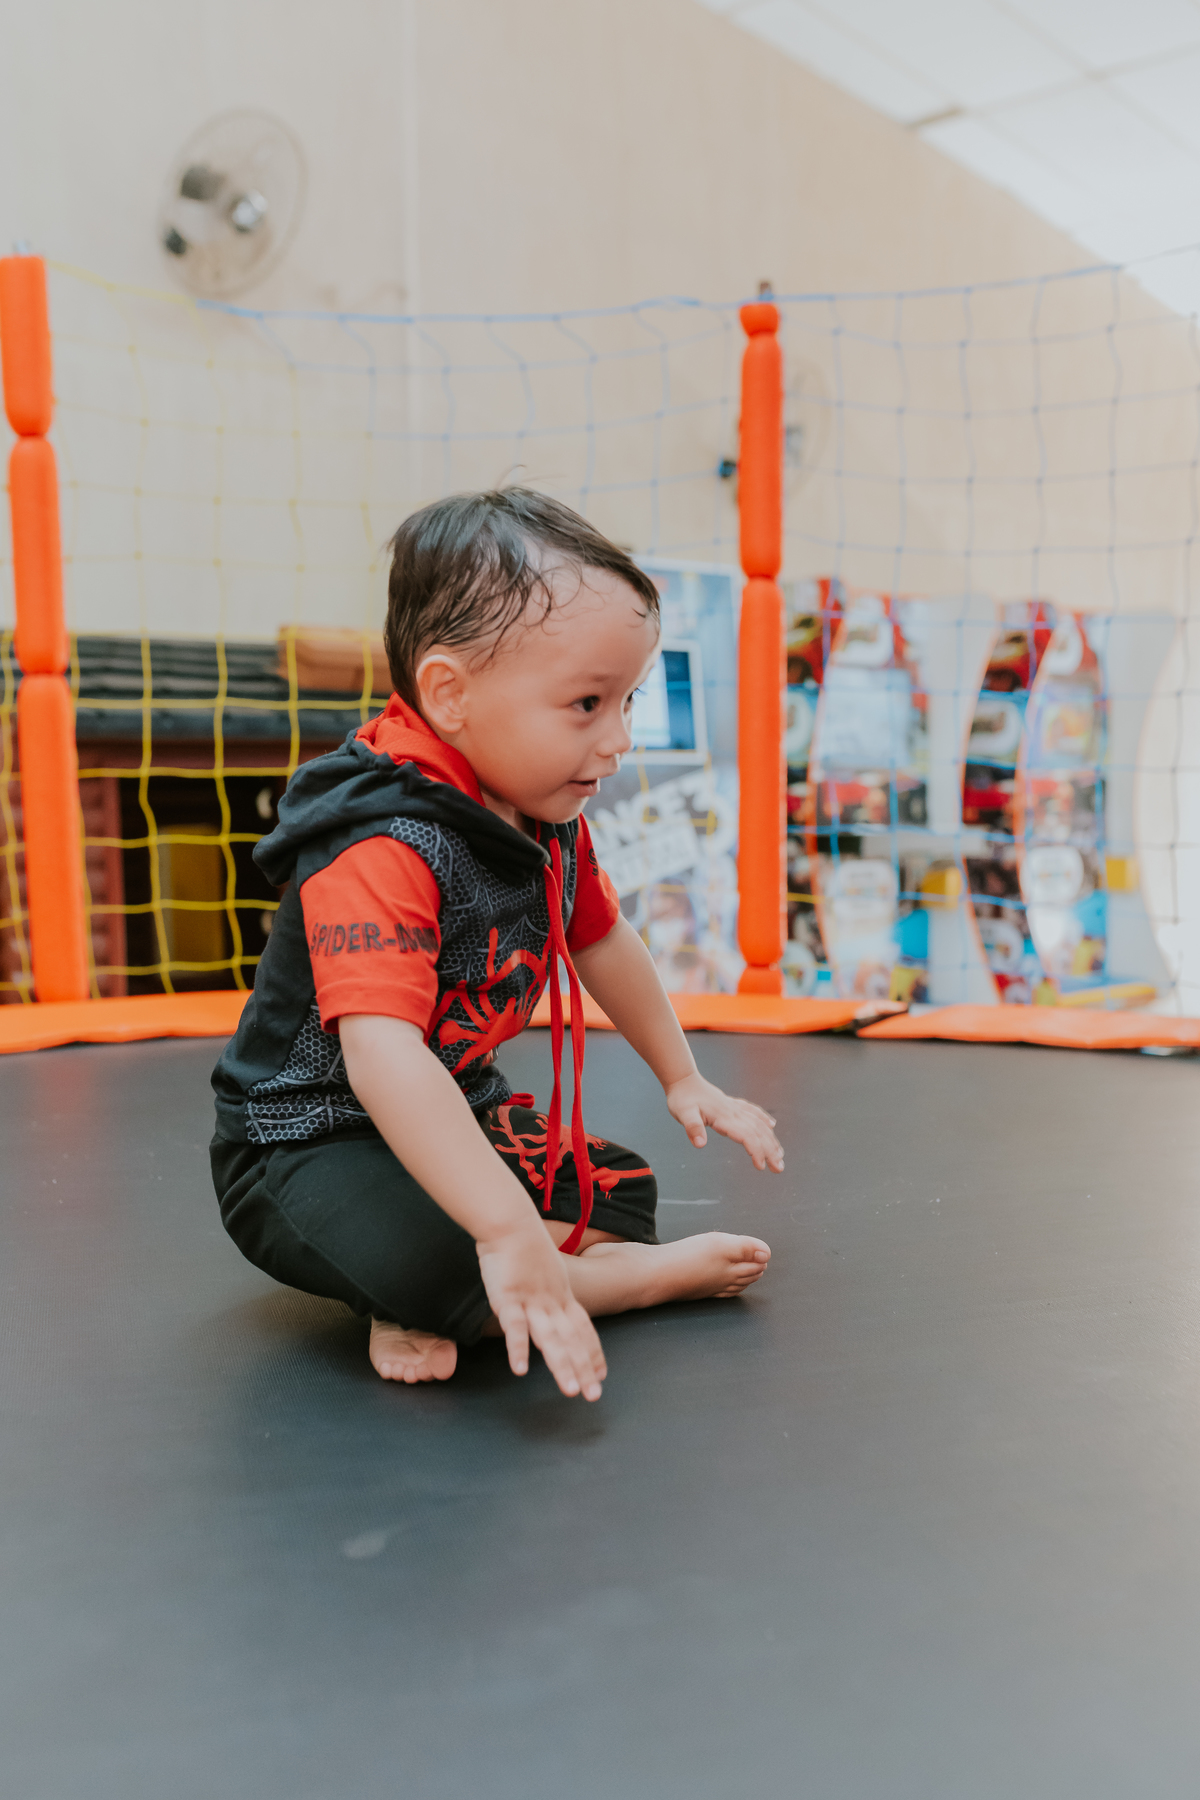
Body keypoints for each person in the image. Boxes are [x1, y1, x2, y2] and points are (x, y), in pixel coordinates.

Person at [211, 489, 782, 1402]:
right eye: (588, 703)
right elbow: (382, 1055)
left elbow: (604, 940)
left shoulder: (545, 813)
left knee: (619, 1189)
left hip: (458, 1109)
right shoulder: (381, 844)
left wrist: (684, 1077)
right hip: (310, 1142)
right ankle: (605, 1285)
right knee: (448, 1254)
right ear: (450, 695)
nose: (619, 740)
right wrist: (511, 1231)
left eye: (627, 701)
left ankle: (448, 1292)